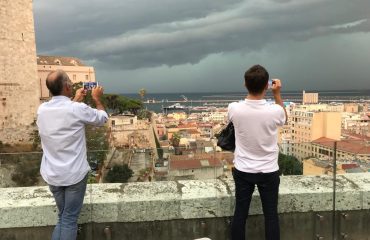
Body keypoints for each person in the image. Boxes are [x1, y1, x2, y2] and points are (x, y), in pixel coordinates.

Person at [37, 70, 108, 240]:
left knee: (62, 218)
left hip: (52, 174)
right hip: (74, 175)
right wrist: (97, 99)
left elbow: (64, 113)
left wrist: (75, 99)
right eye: (70, 82)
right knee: (69, 220)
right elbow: (102, 118)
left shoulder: (42, 110)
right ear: (68, 86)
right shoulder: (76, 109)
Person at [228, 65, 287, 240]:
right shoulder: (275, 111)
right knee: (271, 216)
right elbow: (284, 118)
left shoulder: (234, 108)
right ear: (267, 86)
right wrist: (277, 94)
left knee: (240, 214)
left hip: (243, 169)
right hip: (268, 170)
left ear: (245, 84)